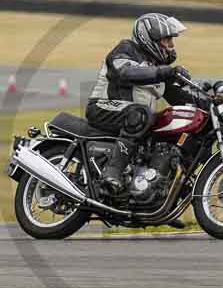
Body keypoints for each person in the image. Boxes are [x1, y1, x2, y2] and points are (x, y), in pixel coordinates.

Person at [86, 14, 205, 214]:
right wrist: (165, 71)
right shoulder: (126, 49)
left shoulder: (158, 67)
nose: (171, 44)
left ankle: (159, 199)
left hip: (135, 119)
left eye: (172, 40)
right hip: (103, 108)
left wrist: (213, 104)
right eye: (167, 39)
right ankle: (111, 172)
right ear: (149, 38)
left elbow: (182, 98)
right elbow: (126, 73)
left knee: (173, 126)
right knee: (142, 113)